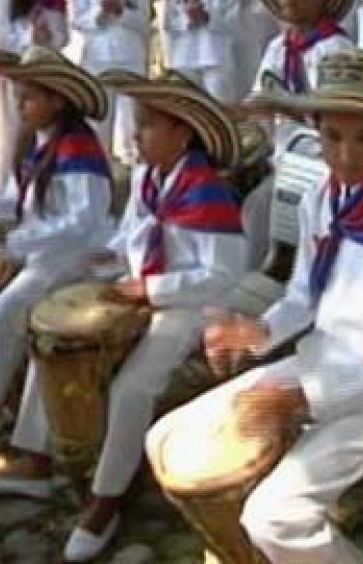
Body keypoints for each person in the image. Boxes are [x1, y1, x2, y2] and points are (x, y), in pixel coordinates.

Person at [197, 48, 363, 564]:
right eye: (332, 137)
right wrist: (258, 331)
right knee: (175, 434)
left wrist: (304, 399)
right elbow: (305, 294)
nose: (346, 155)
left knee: (273, 516)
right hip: (324, 364)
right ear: (316, 132)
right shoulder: (323, 199)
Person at [58, 71, 248, 561]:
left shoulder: (206, 190)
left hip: (194, 305)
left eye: (146, 126)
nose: (136, 135)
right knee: (64, 341)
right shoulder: (147, 177)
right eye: (136, 124)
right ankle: (48, 453)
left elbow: (224, 274)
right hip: (145, 292)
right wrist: (107, 264)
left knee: (133, 385)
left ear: (182, 134)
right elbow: (129, 237)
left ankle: (106, 499)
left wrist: (154, 289)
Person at [0, 47, 117, 462]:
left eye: (29, 98)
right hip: (40, 248)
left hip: (79, 256)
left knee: (7, 307)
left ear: (58, 101)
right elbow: (24, 205)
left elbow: (83, 222)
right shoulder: (42, 144)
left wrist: (16, 242)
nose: (20, 107)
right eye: (17, 98)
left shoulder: (78, 149)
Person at [0, 0, 70, 210]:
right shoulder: (8, 1)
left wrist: (48, 38)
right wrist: (28, 36)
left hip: (47, 73)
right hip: (19, 73)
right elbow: (1, 38)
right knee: (15, 131)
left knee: (45, 130)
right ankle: (10, 190)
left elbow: (64, 36)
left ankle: (43, 189)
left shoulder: (54, 0)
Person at [247, 0, 358, 153]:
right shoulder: (278, 46)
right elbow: (261, 94)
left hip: (328, 151)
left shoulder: (337, 47)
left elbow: (340, 108)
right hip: (284, 149)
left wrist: (284, 105)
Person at [71, 0, 155, 166]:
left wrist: (122, 12)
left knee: (134, 120)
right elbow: (77, 19)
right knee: (99, 119)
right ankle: (102, 173)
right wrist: (100, 13)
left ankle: (136, 176)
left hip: (130, 54)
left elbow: (143, 20)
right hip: (97, 55)